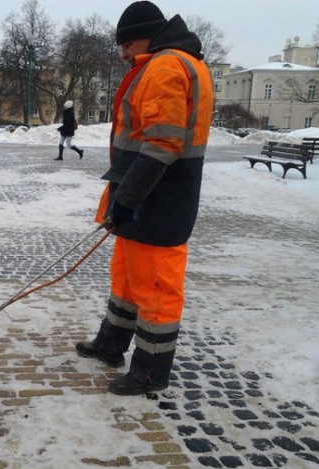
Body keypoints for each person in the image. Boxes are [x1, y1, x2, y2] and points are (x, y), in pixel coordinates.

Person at [75, 1, 214, 395]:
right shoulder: (171, 63)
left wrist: (128, 199)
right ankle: (111, 344)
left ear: (146, 36)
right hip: (145, 198)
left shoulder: (167, 67)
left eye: (126, 44)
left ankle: (151, 371)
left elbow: (163, 144)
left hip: (158, 200)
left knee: (155, 288)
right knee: (127, 278)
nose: (122, 53)